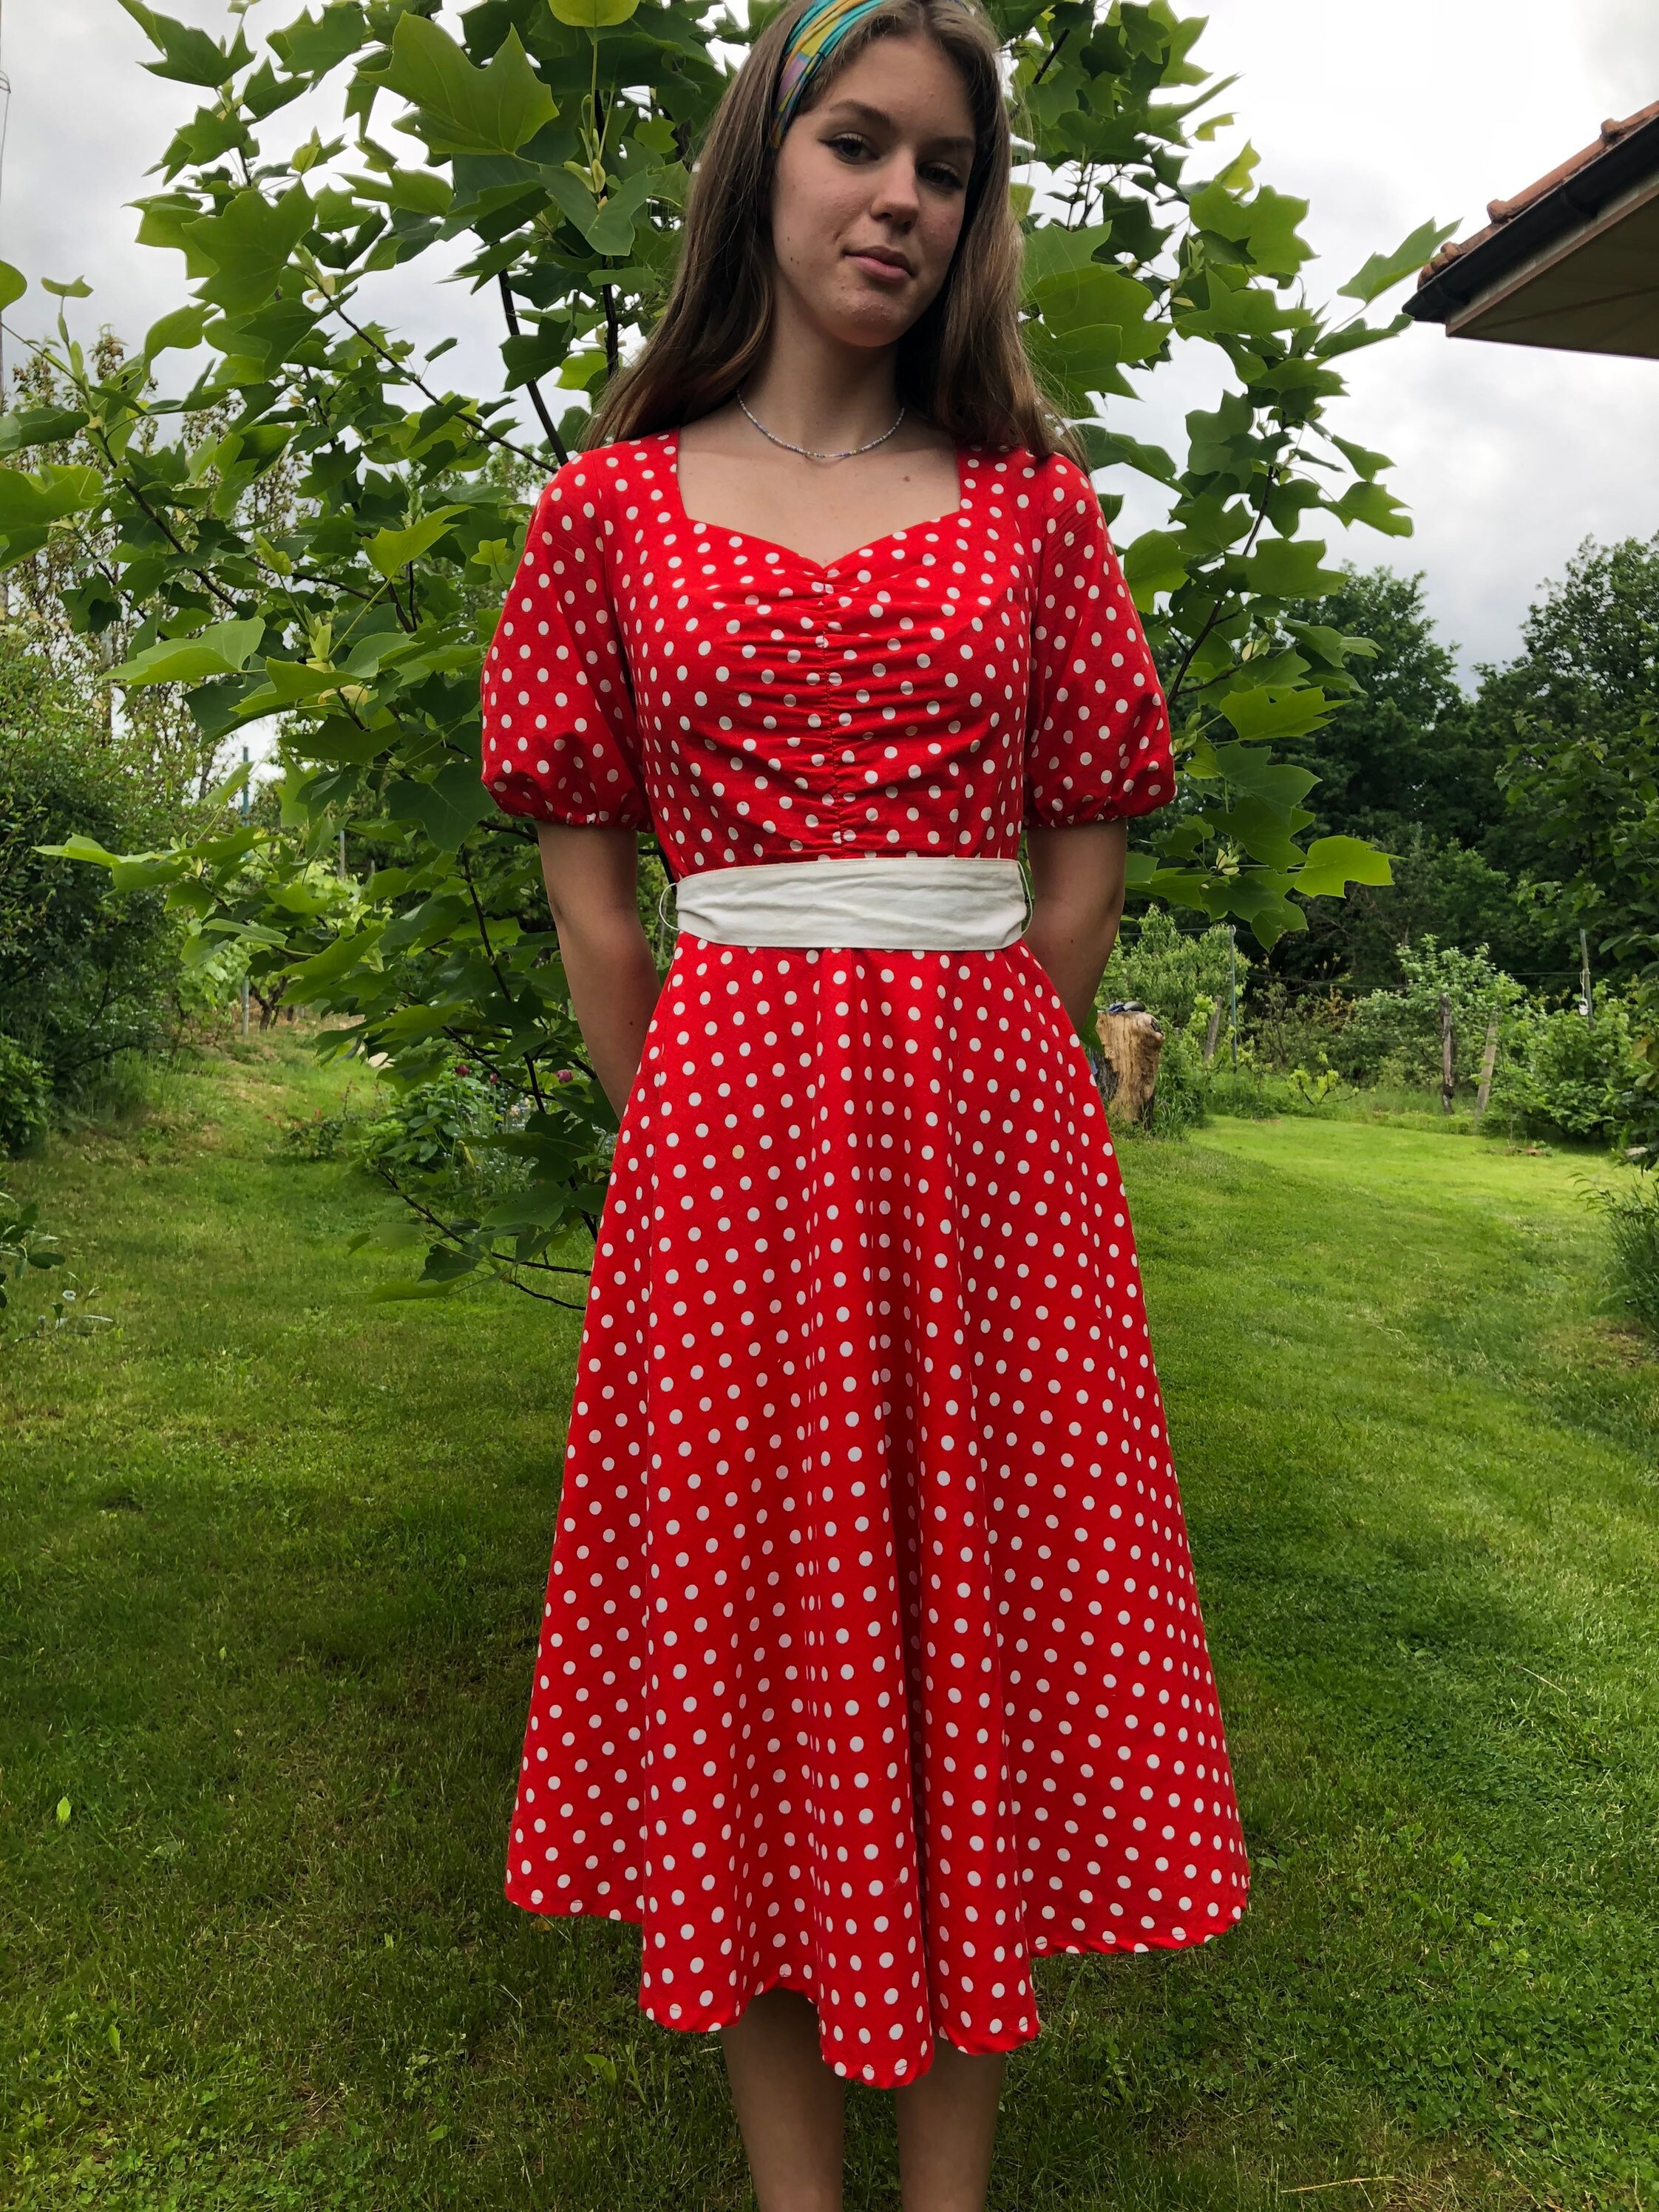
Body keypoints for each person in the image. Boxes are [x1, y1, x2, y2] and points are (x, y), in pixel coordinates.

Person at [478, 0, 1249, 2203]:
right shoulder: (610, 508)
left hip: (988, 1143)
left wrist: (985, 1049)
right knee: (752, 1649)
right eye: (858, 144)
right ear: (765, 162)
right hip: (715, 1147)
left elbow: (1087, 827)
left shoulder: (1027, 502)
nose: (903, 194)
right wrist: (697, 1121)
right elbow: (593, 893)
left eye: (948, 167)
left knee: (971, 1641)